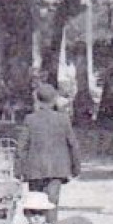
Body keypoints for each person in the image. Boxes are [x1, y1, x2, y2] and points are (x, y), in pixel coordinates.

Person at [16, 83, 83, 211]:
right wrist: (76, 169)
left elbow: (22, 147)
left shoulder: (30, 119)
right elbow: (73, 145)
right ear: (54, 99)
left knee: (35, 205)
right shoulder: (63, 119)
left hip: (34, 170)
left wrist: (18, 171)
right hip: (57, 170)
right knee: (52, 204)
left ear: (38, 100)